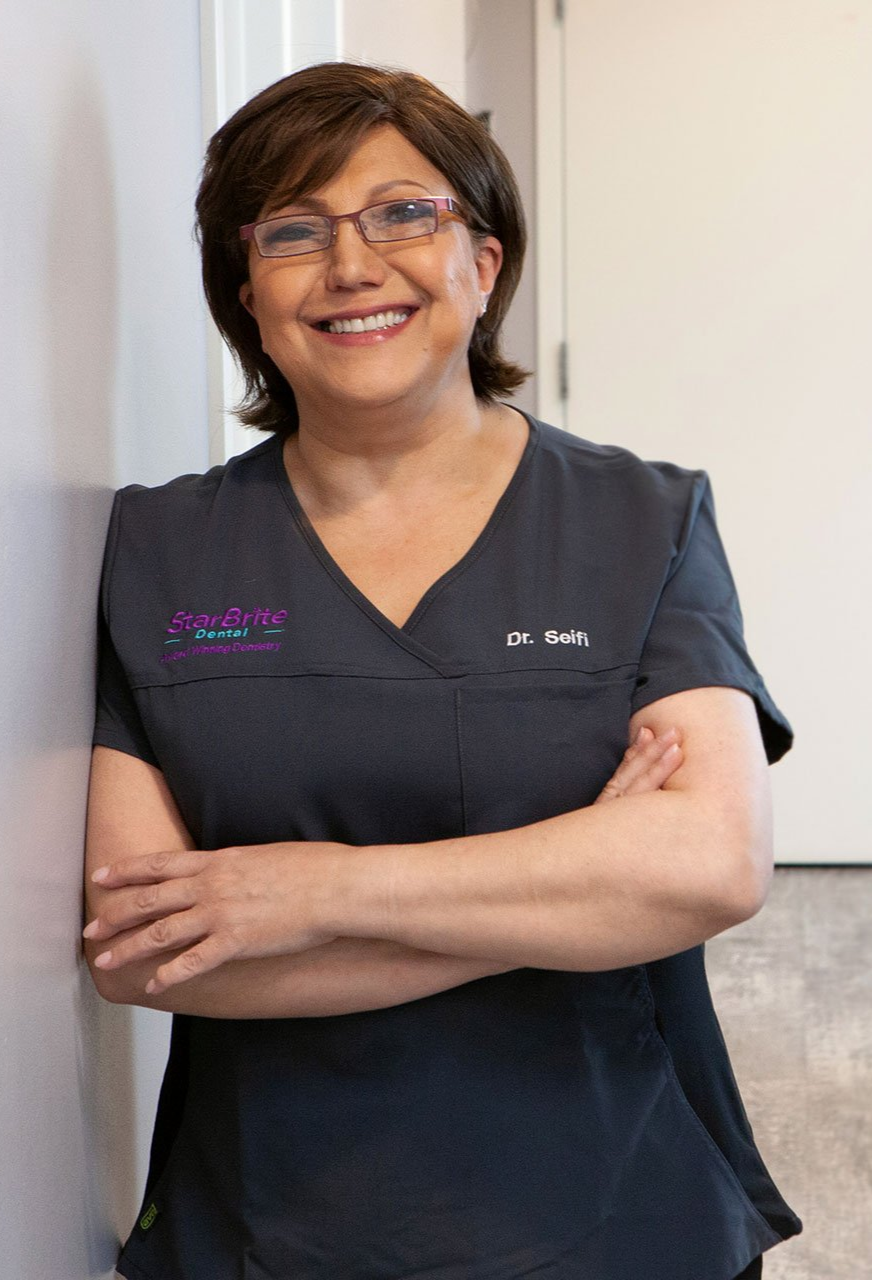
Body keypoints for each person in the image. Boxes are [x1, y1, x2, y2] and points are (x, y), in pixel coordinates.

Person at [81, 61, 800, 1280]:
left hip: (615, 1212)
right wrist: (572, 893)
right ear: (246, 295)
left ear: (483, 261)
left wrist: (314, 891)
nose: (350, 264)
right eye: (293, 230)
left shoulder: (641, 518)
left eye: (403, 213)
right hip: (270, 1226)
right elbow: (143, 946)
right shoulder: (155, 548)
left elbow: (710, 862)